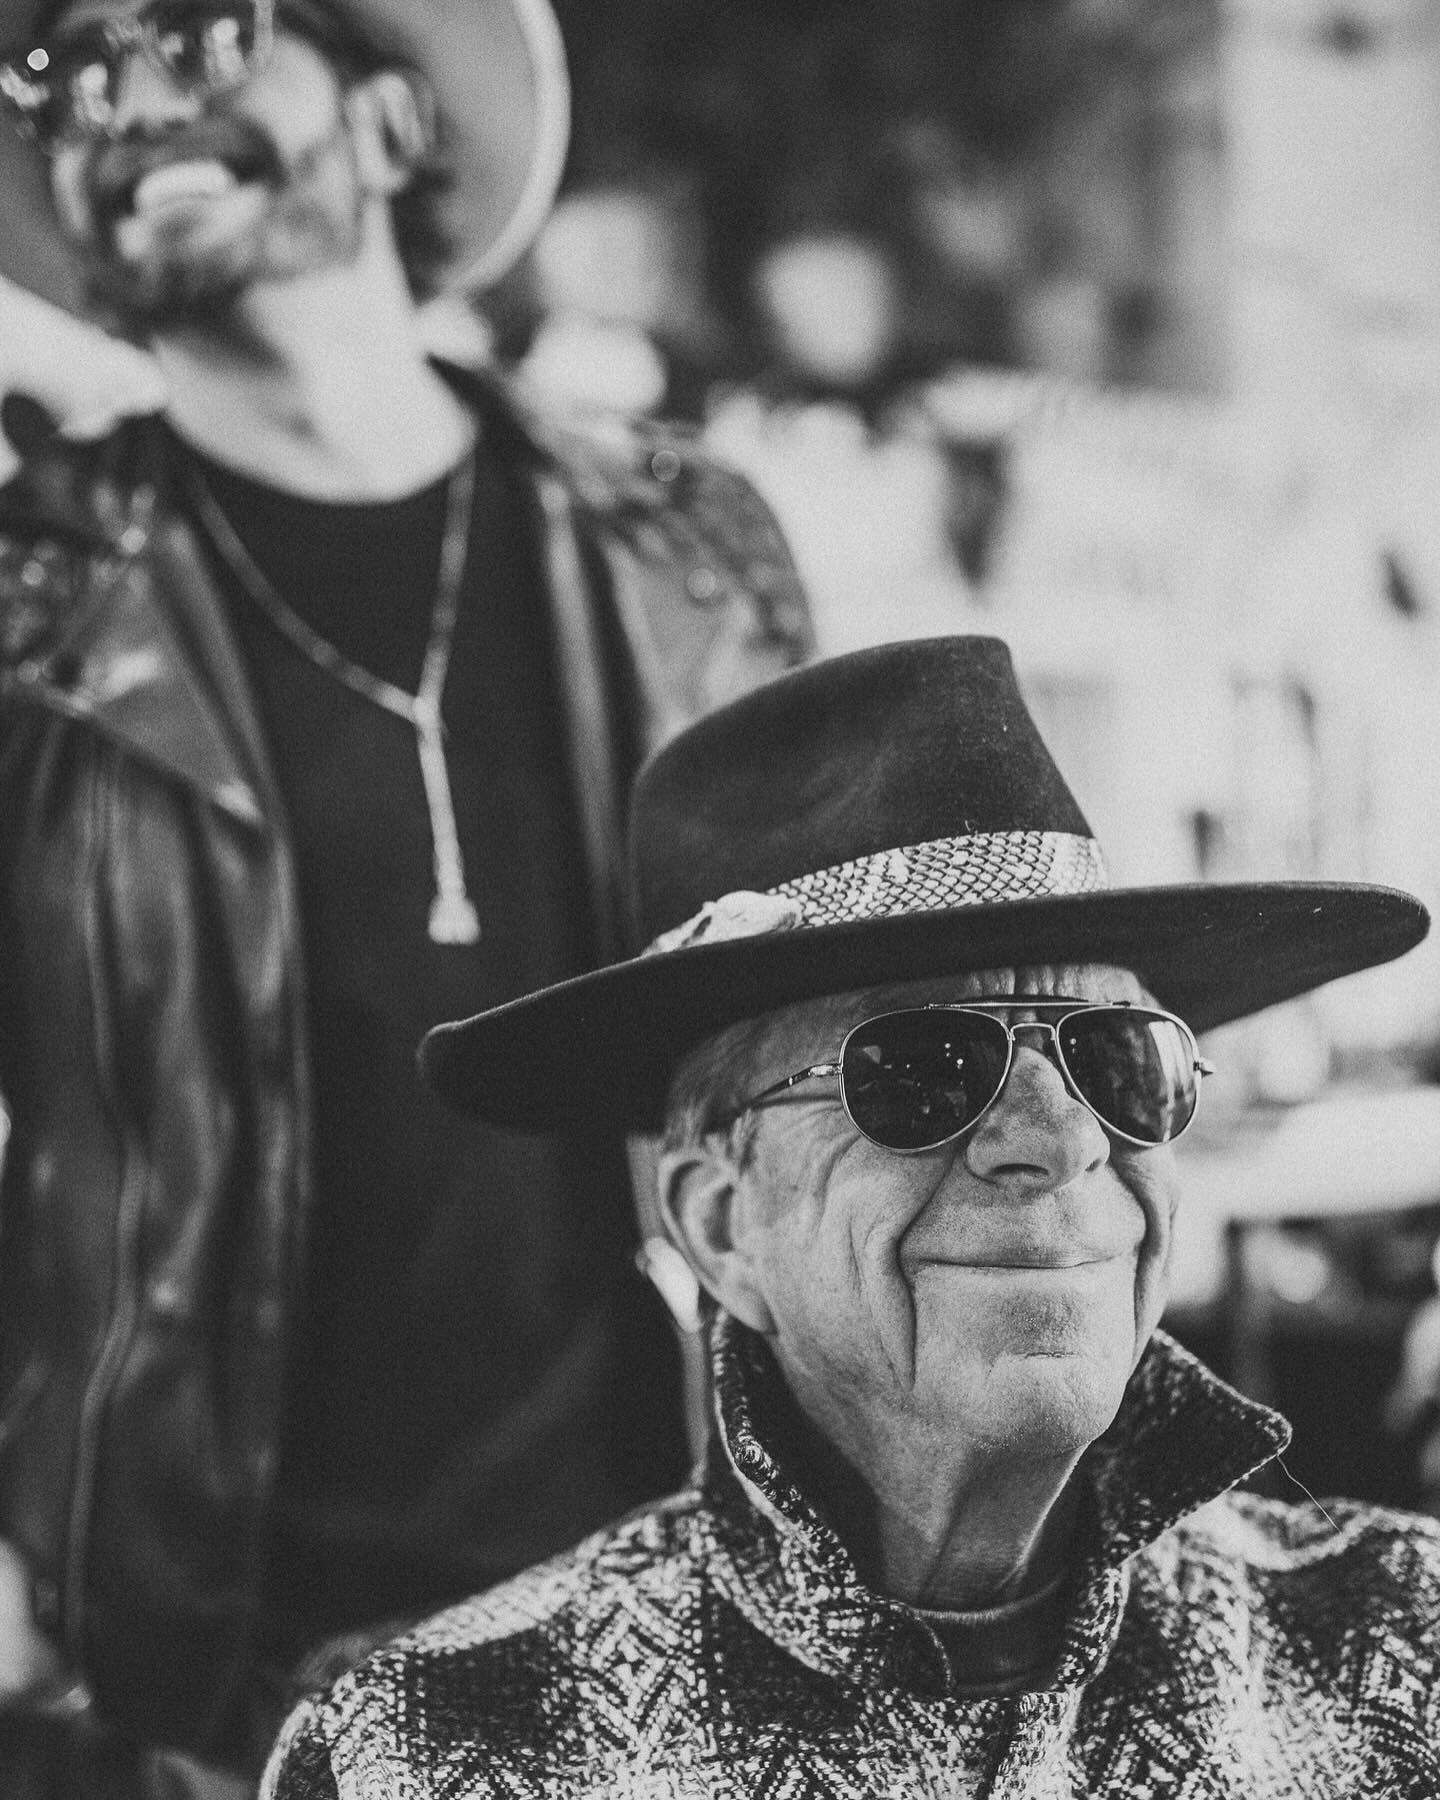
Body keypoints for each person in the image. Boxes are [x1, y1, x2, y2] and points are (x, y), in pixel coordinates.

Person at [0, 0, 811, 1789]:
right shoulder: (28, 608)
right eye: (61, 73)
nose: (128, 102)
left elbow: (825, 1039)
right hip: (214, 1670)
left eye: (200, 36)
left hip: (675, 1611)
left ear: (384, 121)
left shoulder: (690, 551)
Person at [264, 635, 1440, 1797]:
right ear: (722, 1227)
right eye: (923, 1069)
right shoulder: (425, 1754)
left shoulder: (1407, 1643)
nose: (1064, 1138)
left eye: (1120, 1059)